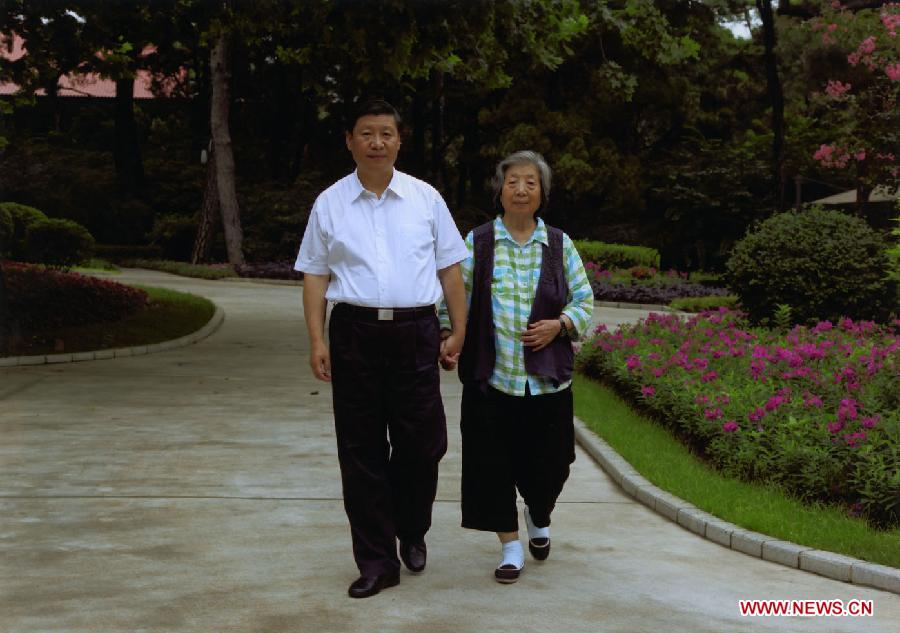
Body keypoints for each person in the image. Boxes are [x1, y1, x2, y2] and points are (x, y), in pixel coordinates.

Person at [295, 99, 468, 599]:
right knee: (361, 451)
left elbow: (450, 268)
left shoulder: (425, 199)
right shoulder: (329, 202)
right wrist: (316, 338)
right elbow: (315, 274)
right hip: (354, 334)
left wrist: (457, 330)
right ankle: (376, 562)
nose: (376, 142)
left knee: (424, 444)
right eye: (366, 133)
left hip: (416, 333)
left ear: (399, 140)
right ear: (349, 140)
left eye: (386, 133)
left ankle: (411, 528)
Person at [440, 150, 593, 584]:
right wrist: (449, 335)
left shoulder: (560, 244)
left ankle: (539, 513)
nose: (521, 189)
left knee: (554, 463)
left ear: (542, 193)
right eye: (513, 182)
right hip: (491, 379)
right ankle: (509, 546)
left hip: (547, 384)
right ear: (500, 191)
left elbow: (584, 300)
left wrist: (560, 325)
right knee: (491, 466)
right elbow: (454, 295)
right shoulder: (479, 241)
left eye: (531, 182)